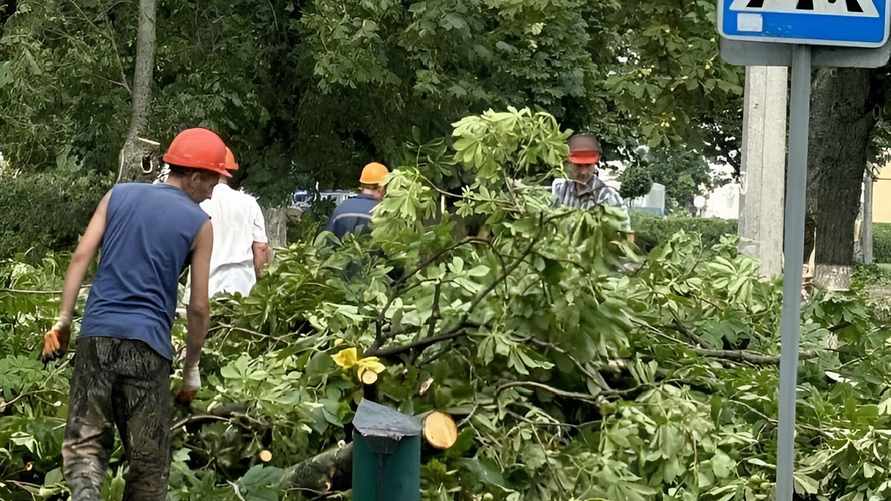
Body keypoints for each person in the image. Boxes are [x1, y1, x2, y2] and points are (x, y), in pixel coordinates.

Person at [40, 127, 228, 501]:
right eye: (212, 182)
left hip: (97, 338)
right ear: (194, 177)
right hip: (148, 349)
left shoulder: (118, 195)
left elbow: (81, 257)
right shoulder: (200, 225)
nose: (212, 191)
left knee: (85, 443)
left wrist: (63, 320)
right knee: (147, 461)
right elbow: (199, 307)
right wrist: (191, 369)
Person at [198, 147, 269, 297]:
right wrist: (261, 282)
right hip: (243, 286)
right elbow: (261, 248)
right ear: (230, 171)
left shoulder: (199, 202)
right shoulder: (249, 203)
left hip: (204, 287)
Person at [551, 132, 631, 232]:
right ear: (569, 163)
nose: (583, 172)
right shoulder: (560, 189)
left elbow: (626, 233)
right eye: (578, 165)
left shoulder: (608, 196)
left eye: (588, 165)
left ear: (595, 163)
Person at [325, 161, 389, 239]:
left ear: (362, 185)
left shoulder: (341, 207)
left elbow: (327, 240)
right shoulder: (384, 214)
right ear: (381, 188)